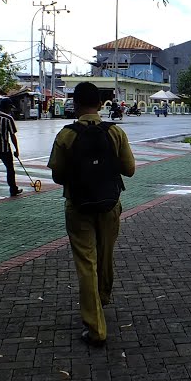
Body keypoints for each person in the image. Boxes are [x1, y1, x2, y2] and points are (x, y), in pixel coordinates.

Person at [48, 81, 136, 347]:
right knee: (105, 255)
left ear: (75, 105)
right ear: (100, 105)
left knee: (87, 263)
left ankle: (96, 326)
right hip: (110, 206)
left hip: (78, 207)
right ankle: (102, 297)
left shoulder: (66, 135)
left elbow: (57, 175)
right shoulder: (115, 133)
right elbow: (129, 169)